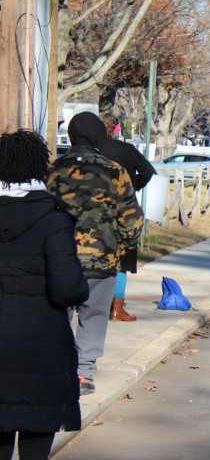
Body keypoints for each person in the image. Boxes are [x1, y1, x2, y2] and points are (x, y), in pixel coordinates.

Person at [0, 129, 89, 460]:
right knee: (34, 449)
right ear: (41, 167)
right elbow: (68, 289)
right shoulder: (53, 218)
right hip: (42, 349)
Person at [47, 112, 144, 396]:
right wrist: (119, 248)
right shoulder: (114, 171)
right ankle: (83, 373)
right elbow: (132, 221)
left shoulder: (53, 170)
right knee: (94, 316)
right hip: (102, 260)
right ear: (99, 137)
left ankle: (59, 369)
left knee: (59, 315)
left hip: (60, 258)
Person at [99, 113, 156, 322]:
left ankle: (95, 301)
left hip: (97, 210)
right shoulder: (127, 150)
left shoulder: (95, 150)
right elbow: (148, 171)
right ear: (116, 128)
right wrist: (133, 187)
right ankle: (117, 307)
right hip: (124, 210)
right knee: (123, 259)